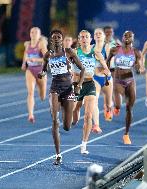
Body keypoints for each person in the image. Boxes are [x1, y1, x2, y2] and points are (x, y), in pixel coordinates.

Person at [38, 29, 85, 165]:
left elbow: (82, 69)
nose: (57, 39)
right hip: (55, 88)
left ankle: (72, 111)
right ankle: (58, 155)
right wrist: (42, 74)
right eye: (54, 37)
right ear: (51, 40)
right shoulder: (48, 55)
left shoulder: (68, 52)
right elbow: (44, 70)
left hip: (68, 89)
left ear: (62, 39)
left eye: (59, 37)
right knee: (54, 120)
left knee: (67, 126)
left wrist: (79, 85)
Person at [106, 31, 143, 144]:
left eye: (129, 36)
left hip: (130, 81)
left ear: (133, 38)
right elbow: (107, 62)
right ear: (122, 38)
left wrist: (138, 69)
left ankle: (126, 134)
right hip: (118, 80)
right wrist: (107, 74)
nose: (127, 38)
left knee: (129, 108)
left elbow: (139, 68)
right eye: (125, 36)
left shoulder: (136, 52)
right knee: (118, 104)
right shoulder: (115, 50)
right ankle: (115, 107)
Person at [72, 30, 104, 154]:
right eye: (82, 37)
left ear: (91, 39)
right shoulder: (74, 52)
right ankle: (73, 118)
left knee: (88, 115)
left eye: (86, 37)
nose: (84, 39)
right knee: (75, 110)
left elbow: (103, 68)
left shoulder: (95, 53)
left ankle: (84, 144)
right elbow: (66, 67)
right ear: (79, 40)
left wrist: (105, 71)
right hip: (77, 85)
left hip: (90, 84)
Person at [21, 27, 48, 123]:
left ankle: (40, 88)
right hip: (30, 70)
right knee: (30, 92)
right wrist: (24, 63)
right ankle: (31, 115)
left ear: (39, 35)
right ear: (29, 34)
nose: (33, 34)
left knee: (42, 96)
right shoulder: (27, 44)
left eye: (36, 32)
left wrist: (36, 60)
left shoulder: (41, 44)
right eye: (32, 32)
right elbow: (26, 54)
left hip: (41, 71)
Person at [92, 28, 111, 134]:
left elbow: (111, 63)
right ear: (94, 37)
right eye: (96, 34)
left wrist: (104, 64)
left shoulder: (107, 47)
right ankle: (96, 125)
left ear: (104, 36)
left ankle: (108, 108)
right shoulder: (91, 48)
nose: (98, 35)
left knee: (109, 103)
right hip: (95, 78)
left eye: (100, 33)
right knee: (94, 100)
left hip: (107, 78)